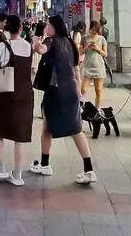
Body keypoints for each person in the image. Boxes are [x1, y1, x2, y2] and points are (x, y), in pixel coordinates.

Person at [31, 15, 96, 184]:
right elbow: (76, 70)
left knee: (47, 128)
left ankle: (45, 165)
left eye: (48, 25)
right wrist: (79, 93)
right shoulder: (70, 43)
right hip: (71, 90)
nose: (46, 28)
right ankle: (89, 170)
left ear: (54, 27)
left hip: (55, 90)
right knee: (76, 129)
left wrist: (36, 40)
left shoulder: (51, 41)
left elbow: (40, 50)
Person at [0, 15, 34, 186]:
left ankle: (1, 168)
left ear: (7, 29)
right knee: (20, 136)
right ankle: (18, 176)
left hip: (7, 94)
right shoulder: (28, 46)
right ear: (21, 28)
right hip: (26, 94)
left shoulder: (3, 46)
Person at [81, 20, 107, 110]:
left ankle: (97, 110)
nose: (94, 31)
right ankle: (81, 109)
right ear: (90, 28)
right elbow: (80, 52)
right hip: (87, 66)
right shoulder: (84, 38)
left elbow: (105, 54)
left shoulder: (102, 39)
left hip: (99, 67)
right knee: (83, 90)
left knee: (98, 91)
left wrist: (97, 49)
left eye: (96, 30)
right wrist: (87, 48)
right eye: (92, 29)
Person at [32, 21, 46, 118]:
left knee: (42, 90)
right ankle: (37, 110)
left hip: (43, 64)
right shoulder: (35, 38)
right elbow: (33, 51)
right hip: (36, 62)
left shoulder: (47, 38)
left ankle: (42, 111)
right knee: (35, 89)